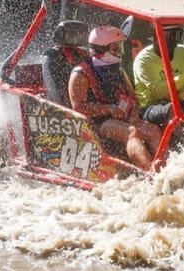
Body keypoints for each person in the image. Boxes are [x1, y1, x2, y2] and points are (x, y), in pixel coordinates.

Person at [68, 25, 162, 170]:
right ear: (101, 49)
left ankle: (164, 167)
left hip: (122, 117)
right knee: (132, 132)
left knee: (153, 130)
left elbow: (134, 99)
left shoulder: (119, 70)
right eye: (116, 48)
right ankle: (151, 171)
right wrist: (110, 109)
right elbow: (78, 107)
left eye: (120, 47)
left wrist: (133, 115)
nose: (120, 52)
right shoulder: (81, 73)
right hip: (99, 122)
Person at [42, 20, 90, 106]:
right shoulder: (52, 57)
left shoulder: (84, 54)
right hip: (66, 107)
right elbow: (57, 93)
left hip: (84, 103)